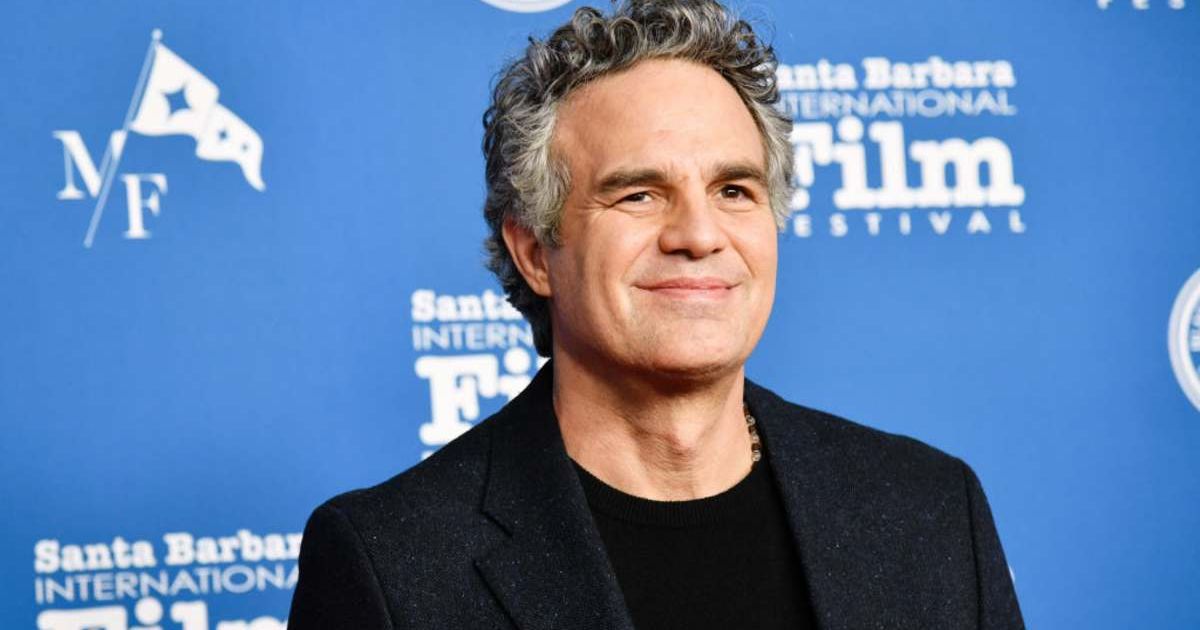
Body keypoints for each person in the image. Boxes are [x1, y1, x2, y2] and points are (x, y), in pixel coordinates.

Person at [288, 1, 1025, 628]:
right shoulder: (389, 565)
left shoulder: (929, 511)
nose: (699, 235)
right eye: (638, 194)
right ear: (536, 252)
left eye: (734, 190)